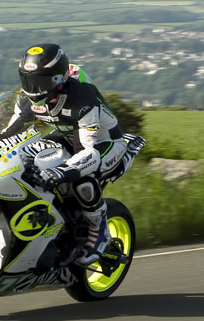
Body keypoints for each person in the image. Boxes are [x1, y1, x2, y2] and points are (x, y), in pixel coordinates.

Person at [11, 43, 132, 267]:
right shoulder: (25, 98)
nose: (33, 89)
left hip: (105, 143)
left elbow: (87, 152)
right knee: (28, 160)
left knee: (81, 177)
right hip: (67, 136)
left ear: (58, 80)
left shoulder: (81, 99)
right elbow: (12, 133)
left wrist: (63, 171)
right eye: (28, 81)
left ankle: (99, 231)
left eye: (41, 82)